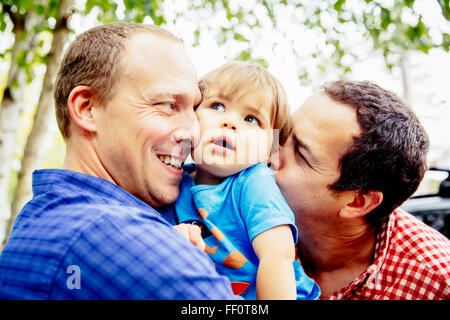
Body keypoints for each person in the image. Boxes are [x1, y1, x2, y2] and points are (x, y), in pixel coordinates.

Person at [0, 22, 239, 299]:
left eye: (194, 109)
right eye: (168, 105)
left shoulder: (48, 217)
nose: (195, 134)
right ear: (87, 109)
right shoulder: (117, 234)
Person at [270, 80, 450, 300]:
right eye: (284, 131)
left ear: (358, 202)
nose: (270, 151)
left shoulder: (438, 284)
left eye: (300, 153)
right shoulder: (237, 216)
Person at [170, 61, 320, 300]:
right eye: (217, 106)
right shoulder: (175, 181)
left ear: (268, 151)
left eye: (251, 120)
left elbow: (277, 257)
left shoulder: (254, 182)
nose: (229, 123)